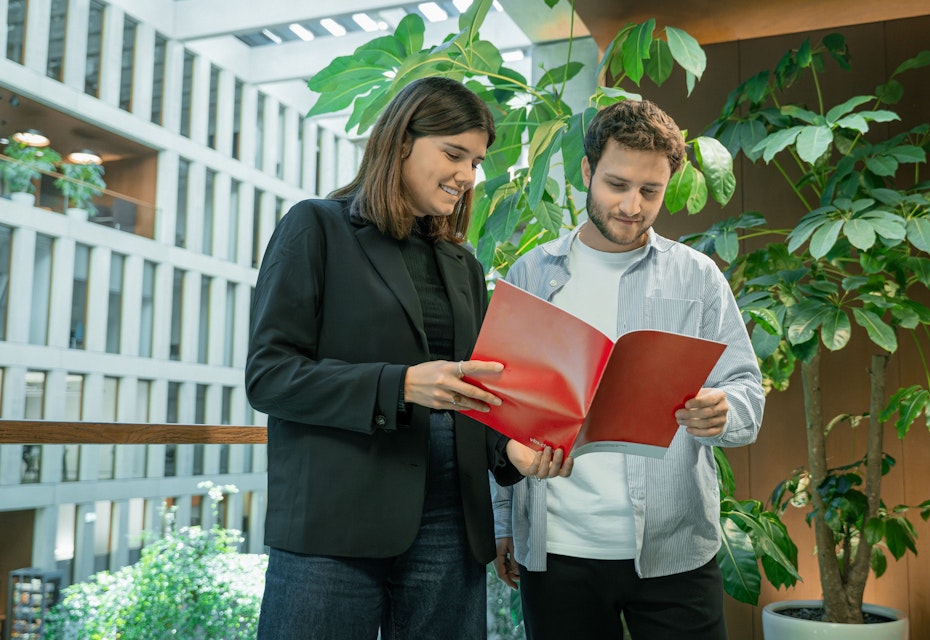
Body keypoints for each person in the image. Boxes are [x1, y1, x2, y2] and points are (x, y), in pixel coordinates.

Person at [245, 76, 571, 640]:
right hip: (335, 526)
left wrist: (510, 449)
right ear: (399, 142)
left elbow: (472, 393)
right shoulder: (315, 227)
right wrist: (400, 386)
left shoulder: (462, 264)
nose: (468, 176)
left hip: (450, 525)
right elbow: (269, 376)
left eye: (476, 161)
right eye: (453, 154)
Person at [491, 99, 765, 640]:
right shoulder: (531, 273)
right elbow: (500, 412)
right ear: (588, 171)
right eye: (617, 185)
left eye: (650, 191)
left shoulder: (699, 277)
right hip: (558, 551)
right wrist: (502, 522)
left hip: (676, 550)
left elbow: (746, 389)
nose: (632, 206)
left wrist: (725, 410)